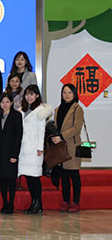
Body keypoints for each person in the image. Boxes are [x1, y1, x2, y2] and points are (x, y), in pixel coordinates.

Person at [18, 85, 52, 214]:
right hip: (23, 149)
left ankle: (38, 203)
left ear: (37, 95)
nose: (29, 97)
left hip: (34, 148)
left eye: (32, 94)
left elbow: (41, 131)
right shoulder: (22, 109)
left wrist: (39, 148)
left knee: (35, 177)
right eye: (27, 94)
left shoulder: (41, 111)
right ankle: (34, 203)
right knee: (28, 177)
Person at [51, 84, 84, 212]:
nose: (67, 95)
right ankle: (65, 201)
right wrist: (54, 136)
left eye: (69, 92)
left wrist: (62, 136)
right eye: (64, 92)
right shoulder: (58, 109)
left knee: (74, 175)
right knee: (63, 176)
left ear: (74, 94)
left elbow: (77, 128)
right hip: (60, 147)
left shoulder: (77, 109)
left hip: (72, 146)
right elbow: (55, 126)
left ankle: (75, 202)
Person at [0, 93, 23, 214]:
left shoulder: (16, 116)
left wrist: (14, 155)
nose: (4, 104)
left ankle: (11, 204)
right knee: (2, 180)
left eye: (7, 102)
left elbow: (18, 136)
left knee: (11, 180)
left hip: (11, 153)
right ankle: (5, 202)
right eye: (2, 102)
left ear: (11, 102)